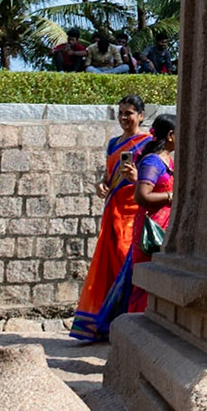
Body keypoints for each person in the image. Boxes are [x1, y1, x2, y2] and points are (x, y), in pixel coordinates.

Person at [69, 95, 151, 342]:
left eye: (129, 113)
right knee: (109, 261)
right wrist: (101, 185)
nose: (124, 118)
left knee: (127, 258)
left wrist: (137, 177)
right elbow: (107, 176)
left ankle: (130, 318)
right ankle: (107, 321)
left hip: (133, 210)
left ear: (141, 116)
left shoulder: (148, 142)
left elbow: (153, 178)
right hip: (114, 208)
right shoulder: (114, 143)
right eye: (121, 113)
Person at [124, 113, 176, 315]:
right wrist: (171, 197)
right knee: (147, 278)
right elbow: (142, 196)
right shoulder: (152, 162)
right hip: (151, 230)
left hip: (166, 227)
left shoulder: (168, 161)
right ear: (170, 135)